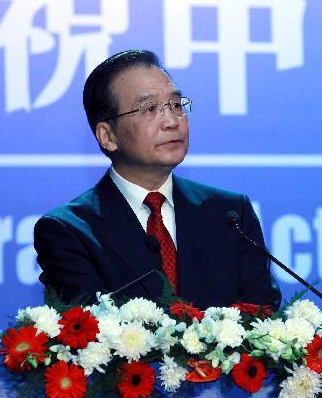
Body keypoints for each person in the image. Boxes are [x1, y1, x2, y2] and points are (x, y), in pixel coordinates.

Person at [34, 50, 281, 311]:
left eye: (176, 105)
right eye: (150, 109)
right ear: (107, 136)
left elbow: (262, 318)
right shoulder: (69, 230)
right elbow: (87, 335)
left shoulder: (230, 214)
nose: (172, 122)